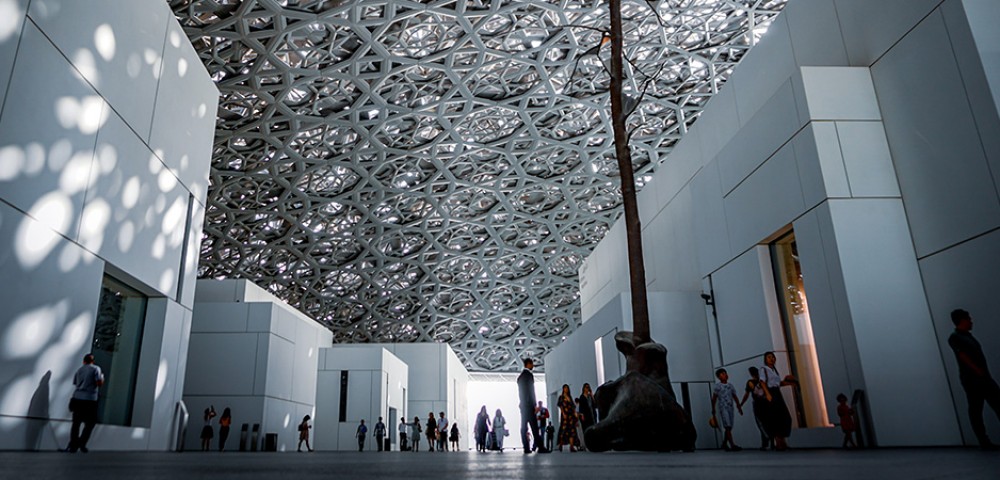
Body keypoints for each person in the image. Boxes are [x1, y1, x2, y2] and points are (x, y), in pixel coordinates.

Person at [948, 308, 1000, 450]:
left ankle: (984, 441)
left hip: (982, 377)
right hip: (973, 380)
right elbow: (962, 355)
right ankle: (984, 441)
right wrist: (977, 370)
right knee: (976, 409)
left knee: (992, 404)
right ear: (962, 320)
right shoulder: (955, 337)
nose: (971, 321)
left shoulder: (968, 336)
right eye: (969, 319)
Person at [66, 353, 104, 453]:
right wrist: (102, 378)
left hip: (77, 398)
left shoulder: (79, 370)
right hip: (90, 399)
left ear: (84, 361)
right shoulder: (96, 369)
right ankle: (81, 443)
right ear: (92, 361)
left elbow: (75, 383)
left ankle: (74, 445)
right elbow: (99, 383)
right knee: (90, 423)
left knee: (76, 423)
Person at [760, 351, 795, 451]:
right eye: (769, 357)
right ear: (765, 359)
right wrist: (767, 394)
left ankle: (782, 440)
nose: (771, 359)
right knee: (776, 417)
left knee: (784, 417)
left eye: (773, 357)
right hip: (771, 393)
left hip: (777, 392)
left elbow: (778, 383)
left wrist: (789, 383)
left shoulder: (774, 370)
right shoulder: (764, 369)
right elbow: (762, 382)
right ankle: (779, 442)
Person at [517, 358, 549, 453]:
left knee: (524, 427)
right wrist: (534, 405)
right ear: (528, 364)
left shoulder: (520, 377)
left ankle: (526, 448)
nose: (533, 366)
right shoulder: (529, 376)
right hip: (529, 406)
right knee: (534, 428)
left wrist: (521, 403)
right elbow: (531, 391)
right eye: (532, 364)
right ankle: (541, 447)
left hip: (523, 406)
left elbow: (521, 393)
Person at [739, 367, 773, 450]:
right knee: (768, 422)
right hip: (766, 402)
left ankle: (766, 439)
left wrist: (741, 404)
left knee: (760, 423)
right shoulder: (763, 380)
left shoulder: (750, 382)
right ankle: (770, 442)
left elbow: (746, 394)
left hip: (757, 403)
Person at [711, 368, 743, 451]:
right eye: (722, 374)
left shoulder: (730, 386)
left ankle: (724, 443)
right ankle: (732, 445)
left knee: (729, 427)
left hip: (730, 407)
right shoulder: (718, 386)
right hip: (723, 407)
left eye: (725, 373)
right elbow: (714, 398)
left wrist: (738, 406)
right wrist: (713, 408)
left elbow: (734, 396)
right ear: (719, 377)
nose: (725, 375)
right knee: (727, 426)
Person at [556, 384, 580, 452]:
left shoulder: (570, 397)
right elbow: (560, 405)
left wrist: (575, 414)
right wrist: (563, 413)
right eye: (565, 388)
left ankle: (571, 446)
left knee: (572, 429)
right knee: (564, 429)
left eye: (567, 388)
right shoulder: (561, 397)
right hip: (565, 415)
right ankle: (561, 444)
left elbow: (573, 406)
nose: (566, 389)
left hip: (571, 415)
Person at [577, 383, 597, 450]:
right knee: (585, 429)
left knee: (592, 428)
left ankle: (593, 444)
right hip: (585, 415)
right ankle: (586, 445)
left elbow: (594, 404)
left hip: (591, 415)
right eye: (586, 387)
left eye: (588, 387)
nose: (587, 388)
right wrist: (582, 414)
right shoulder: (582, 397)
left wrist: (591, 395)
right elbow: (581, 407)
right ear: (583, 388)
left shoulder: (589, 396)